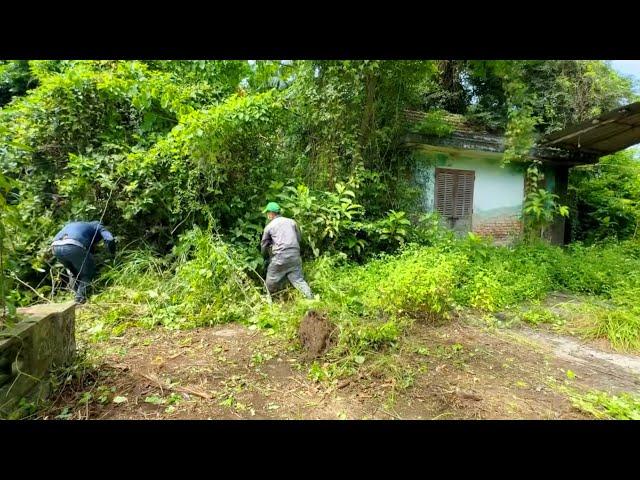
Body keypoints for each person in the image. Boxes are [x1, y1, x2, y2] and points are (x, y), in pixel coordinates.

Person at [51, 221, 116, 304]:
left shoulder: (77, 225)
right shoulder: (98, 226)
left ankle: (74, 297)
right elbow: (109, 239)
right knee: (87, 273)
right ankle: (79, 300)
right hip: (73, 245)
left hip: (55, 247)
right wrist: (112, 255)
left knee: (73, 272)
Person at [260, 202, 314, 299]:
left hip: (280, 257)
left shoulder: (269, 227)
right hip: (295, 256)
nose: (267, 215)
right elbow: (299, 239)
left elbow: (264, 245)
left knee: (270, 281)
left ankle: (268, 301)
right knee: (298, 280)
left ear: (271, 213)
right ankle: (311, 299)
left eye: (267, 213)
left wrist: (265, 258)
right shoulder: (292, 222)